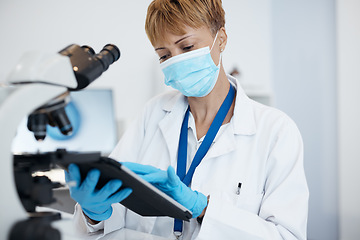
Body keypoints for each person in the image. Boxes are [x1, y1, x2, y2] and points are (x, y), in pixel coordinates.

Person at [65, 0, 309, 239]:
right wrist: (93, 213)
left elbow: (286, 236)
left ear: (221, 39)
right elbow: (111, 215)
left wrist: (202, 207)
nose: (175, 61)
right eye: (164, 55)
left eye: (187, 47)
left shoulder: (276, 131)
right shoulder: (154, 113)